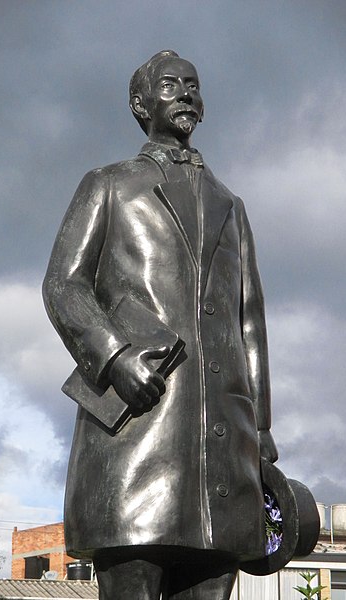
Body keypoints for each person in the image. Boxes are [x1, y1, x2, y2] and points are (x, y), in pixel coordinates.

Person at [43, 50, 278, 600]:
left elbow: (250, 324)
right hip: (136, 434)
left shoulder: (231, 205)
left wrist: (262, 436)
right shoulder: (108, 184)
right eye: (171, 85)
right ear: (140, 103)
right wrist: (115, 356)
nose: (187, 94)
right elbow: (63, 285)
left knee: (213, 582)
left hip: (224, 452)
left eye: (194, 86)